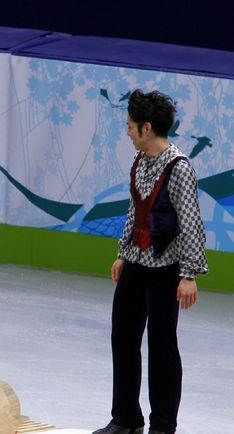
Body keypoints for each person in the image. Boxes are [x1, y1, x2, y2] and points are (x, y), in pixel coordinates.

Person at [93, 90, 208, 434]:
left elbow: (192, 225)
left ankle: (162, 425)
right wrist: (122, 253)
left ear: (146, 128)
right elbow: (135, 209)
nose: (127, 132)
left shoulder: (179, 168)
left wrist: (188, 275)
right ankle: (126, 419)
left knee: (162, 347)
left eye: (130, 127)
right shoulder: (141, 160)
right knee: (123, 338)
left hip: (166, 271)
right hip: (135, 263)